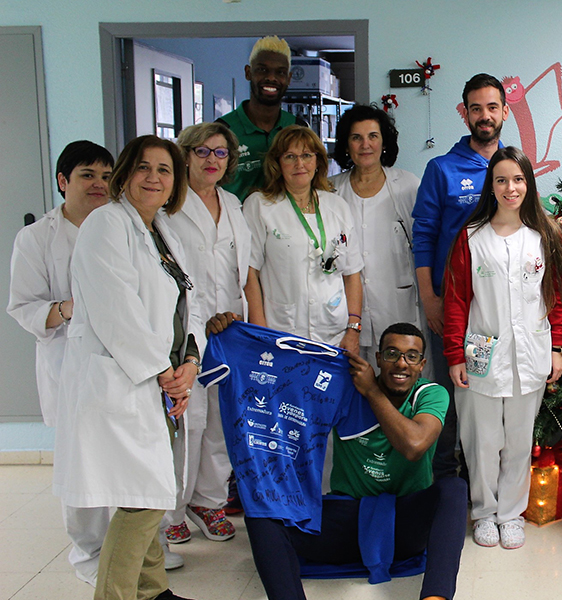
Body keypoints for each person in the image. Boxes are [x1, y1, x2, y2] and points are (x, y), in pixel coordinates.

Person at [205, 315, 467, 600]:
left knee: (454, 489)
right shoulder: (346, 387)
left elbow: (414, 445)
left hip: (406, 523)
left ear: (422, 365)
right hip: (347, 521)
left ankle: (435, 598)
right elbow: (286, 383)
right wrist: (231, 336)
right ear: (378, 358)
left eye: (411, 356)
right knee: (262, 501)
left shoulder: (430, 394)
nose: (401, 363)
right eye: (392, 354)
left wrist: (371, 391)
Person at [53, 135, 197, 600]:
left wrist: (190, 361)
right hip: (122, 382)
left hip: (155, 380)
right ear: (125, 175)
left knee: (150, 493)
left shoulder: (161, 231)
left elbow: (184, 306)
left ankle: (154, 593)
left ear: (175, 182)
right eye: (143, 167)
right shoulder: (106, 225)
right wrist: (164, 372)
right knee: (143, 500)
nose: (154, 177)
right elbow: (118, 311)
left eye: (165, 170)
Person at [442, 147, 562, 549]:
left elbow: (558, 295)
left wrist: (558, 347)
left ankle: (511, 513)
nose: (510, 187)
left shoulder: (545, 235)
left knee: (518, 439)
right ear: (491, 186)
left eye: (517, 179)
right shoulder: (471, 236)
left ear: (528, 184)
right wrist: (453, 354)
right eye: (501, 180)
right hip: (480, 357)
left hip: (531, 354)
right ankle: (483, 511)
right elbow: (455, 300)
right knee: (481, 441)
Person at [7, 141, 113, 586]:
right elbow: (23, 306)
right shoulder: (37, 238)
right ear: (62, 181)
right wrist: (70, 308)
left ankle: (136, 548)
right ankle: (90, 553)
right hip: (69, 361)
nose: (100, 185)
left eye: (107, 176)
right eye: (88, 175)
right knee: (82, 462)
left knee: (125, 455)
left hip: (119, 362)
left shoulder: (122, 225)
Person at [412, 73, 508, 481]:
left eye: (491, 107)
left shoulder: (515, 166)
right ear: (464, 114)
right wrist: (429, 298)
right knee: (453, 391)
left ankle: (487, 478)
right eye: (476, 109)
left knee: (497, 393)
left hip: (501, 306)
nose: (484, 116)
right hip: (451, 304)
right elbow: (422, 237)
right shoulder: (442, 169)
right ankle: (447, 479)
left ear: (504, 111)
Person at [159, 122, 250, 546]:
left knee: (221, 420)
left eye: (220, 153)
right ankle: (171, 509)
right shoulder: (166, 209)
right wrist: (203, 318)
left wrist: (238, 316)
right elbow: (170, 276)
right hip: (187, 332)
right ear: (185, 155)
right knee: (188, 422)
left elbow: (243, 270)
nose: (212, 160)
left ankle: (208, 499)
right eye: (202, 152)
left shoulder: (233, 204)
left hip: (231, 329)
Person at [242, 125, 362, 354]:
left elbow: (352, 273)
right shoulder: (260, 205)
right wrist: (261, 333)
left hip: (334, 332)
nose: (300, 164)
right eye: (290, 157)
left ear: (318, 161)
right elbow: (250, 273)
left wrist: (353, 328)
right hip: (281, 333)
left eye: (307, 155)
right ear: (277, 163)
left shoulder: (337, 206)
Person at [330, 104, 424, 360]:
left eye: (373, 136)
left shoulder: (407, 185)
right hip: (347, 313)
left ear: (384, 142)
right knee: (357, 384)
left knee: (405, 382)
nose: (365, 145)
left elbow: (425, 245)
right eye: (356, 137)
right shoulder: (331, 191)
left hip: (400, 307)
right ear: (346, 145)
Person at [217, 35, 307, 202]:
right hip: (237, 225)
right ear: (248, 72)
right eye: (262, 70)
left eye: (280, 72)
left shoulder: (297, 128)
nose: (271, 78)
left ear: (288, 78)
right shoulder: (223, 130)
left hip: (287, 224)